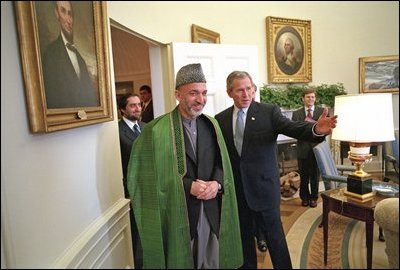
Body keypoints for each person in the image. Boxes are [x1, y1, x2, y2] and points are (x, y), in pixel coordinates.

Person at [215, 71, 337, 269]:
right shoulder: (219, 120)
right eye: (240, 90)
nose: (246, 94)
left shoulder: (268, 112)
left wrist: (316, 130)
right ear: (230, 92)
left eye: (249, 89)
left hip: (265, 190)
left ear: (254, 90)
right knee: (244, 242)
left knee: (276, 242)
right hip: (238, 193)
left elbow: (294, 128)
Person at [127, 63, 243, 268]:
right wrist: (188, 185)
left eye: (204, 93)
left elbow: (222, 163)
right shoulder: (155, 131)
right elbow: (143, 180)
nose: (201, 99)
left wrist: (216, 184)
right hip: (176, 217)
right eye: (193, 93)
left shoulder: (212, 125)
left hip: (210, 211)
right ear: (177, 94)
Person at [42, 1, 98, 108]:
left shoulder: (80, 59)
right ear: (56, 13)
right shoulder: (50, 53)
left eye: (70, 14)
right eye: (63, 12)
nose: (68, 20)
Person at [118, 93, 145, 269]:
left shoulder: (146, 126)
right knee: (136, 233)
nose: (138, 109)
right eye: (132, 106)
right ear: (122, 109)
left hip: (150, 187)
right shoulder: (116, 131)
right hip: (131, 190)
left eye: (139, 105)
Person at [292, 89, 325, 208]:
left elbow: (326, 130)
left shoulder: (322, 112)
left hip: (318, 149)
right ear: (303, 98)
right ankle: (304, 197)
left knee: (315, 176)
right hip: (303, 149)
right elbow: (294, 131)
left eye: (312, 97)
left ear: (315, 98)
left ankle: (314, 198)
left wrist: (313, 127)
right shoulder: (296, 114)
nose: (310, 99)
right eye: (308, 97)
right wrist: (311, 126)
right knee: (304, 176)